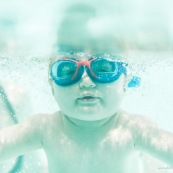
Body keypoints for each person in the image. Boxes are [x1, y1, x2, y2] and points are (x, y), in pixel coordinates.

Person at [0, 3, 173, 173]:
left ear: (125, 82)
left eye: (103, 69)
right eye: (67, 71)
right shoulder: (44, 128)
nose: (86, 82)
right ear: (52, 85)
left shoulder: (135, 129)